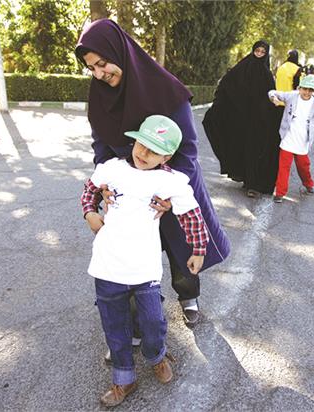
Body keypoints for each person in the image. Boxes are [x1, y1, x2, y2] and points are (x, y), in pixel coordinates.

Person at [75, 19, 230, 329]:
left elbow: (187, 152)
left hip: (169, 186)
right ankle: (139, 317)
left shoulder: (164, 90)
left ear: (118, 52)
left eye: (102, 63)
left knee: (179, 246)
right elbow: (101, 149)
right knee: (130, 255)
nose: (99, 74)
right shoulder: (100, 98)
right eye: (91, 68)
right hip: (127, 192)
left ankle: (188, 295)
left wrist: (167, 194)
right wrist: (105, 185)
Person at [81, 114, 208, 406]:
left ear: (167, 157)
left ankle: (156, 356)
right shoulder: (112, 168)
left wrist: (198, 250)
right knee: (114, 325)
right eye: (141, 144)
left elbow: (191, 215)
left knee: (153, 320)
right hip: (108, 264)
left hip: (144, 269)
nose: (143, 153)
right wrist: (90, 213)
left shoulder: (170, 181)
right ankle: (123, 377)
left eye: (154, 151)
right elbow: (89, 190)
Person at [202, 40, 282, 198]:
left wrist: (275, 108)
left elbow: (270, 95)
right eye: (257, 51)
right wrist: (221, 103)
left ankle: (253, 184)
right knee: (242, 147)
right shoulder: (242, 67)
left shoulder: (266, 74)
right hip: (242, 120)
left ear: (266, 54)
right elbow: (226, 84)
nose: (259, 54)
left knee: (255, 149)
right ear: (253, 51)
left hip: (259, 121)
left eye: (262, 52)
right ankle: (246, 178)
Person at [268, 75, 314, 203]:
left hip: (303, 140)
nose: (307, 92)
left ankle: (308, 184)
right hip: (288, 138)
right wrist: (274, 98)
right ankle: (280, 193)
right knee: (284, 167)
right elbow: (272, 92)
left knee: (303, 167)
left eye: (310, 90)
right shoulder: (291, 96)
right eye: (304, 89)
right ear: (299, 88)